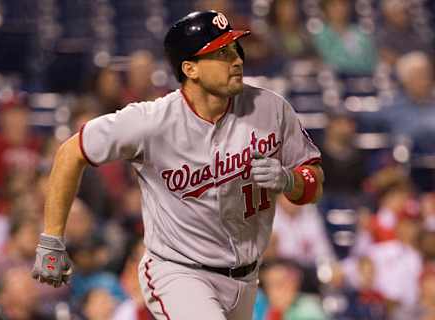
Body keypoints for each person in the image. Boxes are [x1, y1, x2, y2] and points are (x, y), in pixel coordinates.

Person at [32, 10, 324, 320]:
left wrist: (291, 181)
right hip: (179, 272)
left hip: (247, 276)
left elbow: (314, 181)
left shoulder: (271, 109)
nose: (236, 60)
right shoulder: (152, 122)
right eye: (221, 53)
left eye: (235, 49)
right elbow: (70, 152)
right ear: (190, 69)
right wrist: (52, 237)